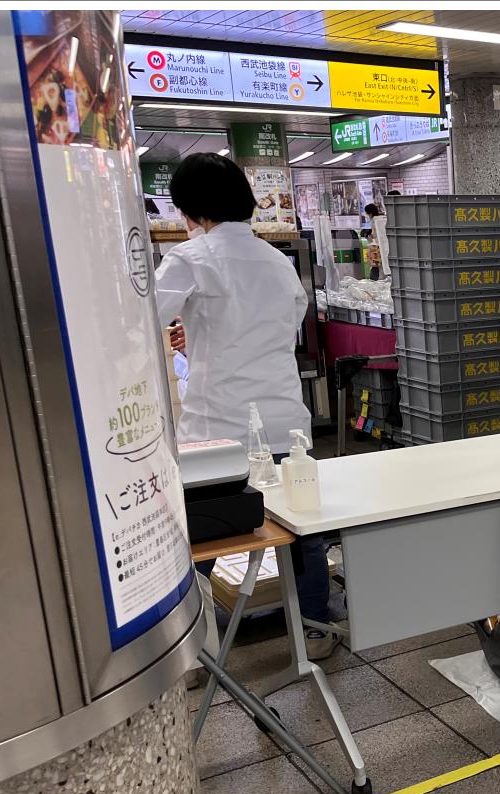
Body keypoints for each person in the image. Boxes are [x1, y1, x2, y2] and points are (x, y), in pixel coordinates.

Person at [154, 153, 337, 658]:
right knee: (300, 530)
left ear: (188, 207)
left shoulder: (190, 257)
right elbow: (277, 332)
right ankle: (316, 629)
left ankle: (188, 644)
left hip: (218, 428)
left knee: (202, 534)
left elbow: (140, 320)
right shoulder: (277, 262)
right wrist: (205, 337)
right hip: (284, 418)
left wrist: (199, 341)